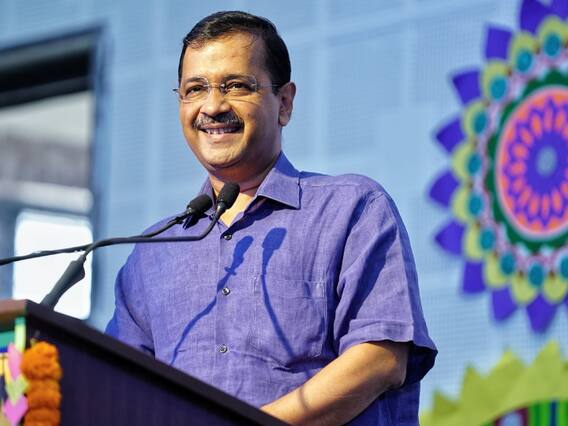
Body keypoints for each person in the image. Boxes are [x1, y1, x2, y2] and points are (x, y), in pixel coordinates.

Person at [106, 11, 437, 425]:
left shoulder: (352, 210)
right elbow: (115, 391)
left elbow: (381, 359)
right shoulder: (152, 254)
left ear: (285, 103)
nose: (213, 106)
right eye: (195, 89)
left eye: (236, 86)